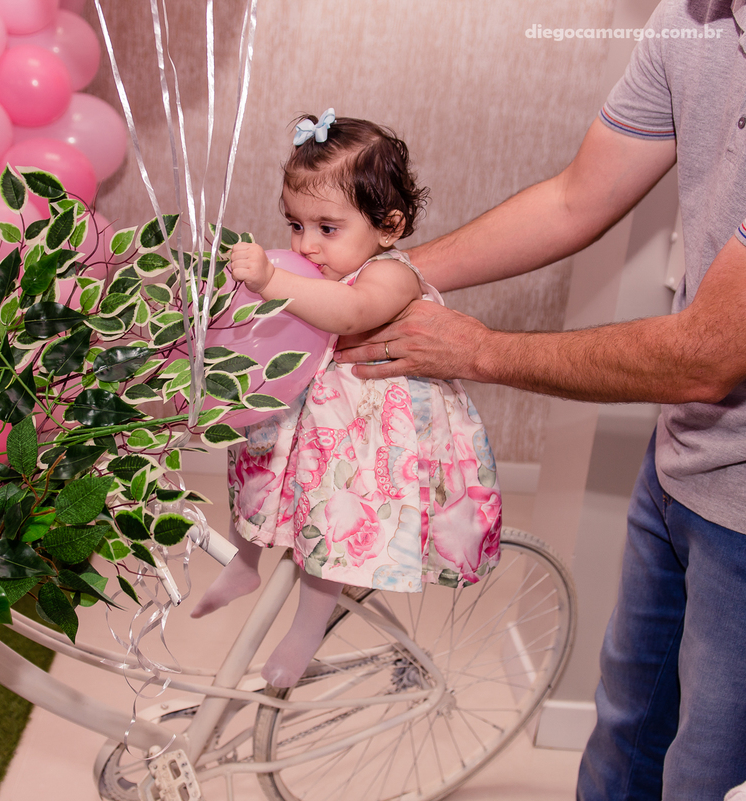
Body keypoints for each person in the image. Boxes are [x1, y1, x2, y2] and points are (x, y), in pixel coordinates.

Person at [335, 2, 746, 799]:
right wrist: (392, 276)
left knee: (703, 775)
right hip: (680, 466)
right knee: (625, 738)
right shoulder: (691, 20)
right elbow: (575, 199)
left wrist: (478, 350)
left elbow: (708, 353)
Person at [190, 110, 503, 689]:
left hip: (360, 433)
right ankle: (244, 563)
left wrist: (274, 283)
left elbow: (352, 313)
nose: (306, 245)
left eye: (327, 228)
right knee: (257, 471)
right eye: (295, 224)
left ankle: (307, 629)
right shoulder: (319, 269)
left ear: (388, 226)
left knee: (330, 527)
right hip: (309, 412)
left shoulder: (391, 274)